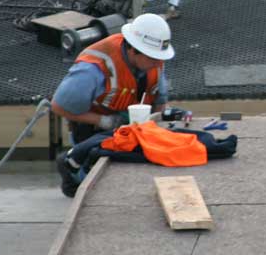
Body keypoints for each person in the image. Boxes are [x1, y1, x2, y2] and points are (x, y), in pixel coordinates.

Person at [51, 13, 175, 196]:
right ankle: (72, 169)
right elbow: (59, 106)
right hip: (94, 129)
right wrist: (105, 121)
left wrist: (153, 128)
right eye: (152, 58)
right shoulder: (93, 68)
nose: (158, 62)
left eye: (159, 57)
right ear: (133, 49)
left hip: (134, 127)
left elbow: (159, 100)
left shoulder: (154, 61)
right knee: (97, 186)